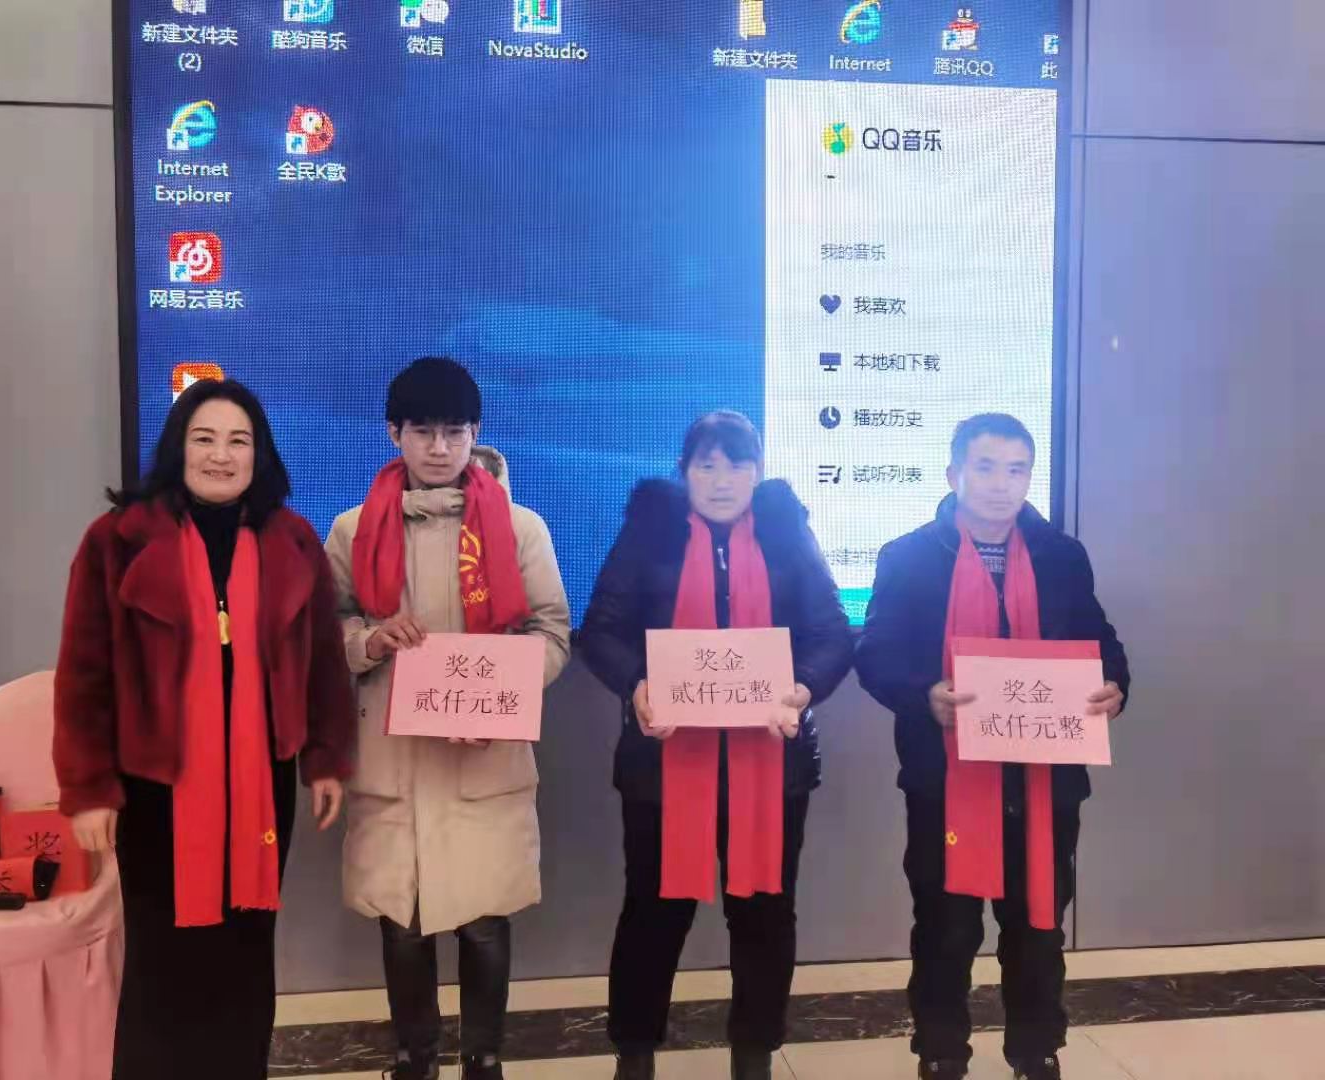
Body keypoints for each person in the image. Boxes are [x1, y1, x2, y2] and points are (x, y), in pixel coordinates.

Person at [53, 378, 356, 1080]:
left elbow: (322, 663)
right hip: (154, 787)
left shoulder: (292, 540)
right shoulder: (117, 540)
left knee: (245, 954)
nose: (221, 455)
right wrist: (89, 789)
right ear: (178, 448)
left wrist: (325, 759)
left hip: (260, 785)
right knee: (162, 958)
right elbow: (83, 673)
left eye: (238, 441)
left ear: (259, 455)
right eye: (205, 439)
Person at [578, 411, 854, 1080]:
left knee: (764, 913)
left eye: (737, 465)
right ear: (685, 472)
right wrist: (638, 685)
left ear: (757, 472)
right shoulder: (649, 532)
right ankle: (634, 1055)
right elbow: (602, 629)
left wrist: (803, 688)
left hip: (772, 764)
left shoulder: (787, 533)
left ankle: (753, 1055)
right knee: (653, 912)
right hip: (664, 763)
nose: (722, 479)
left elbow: (831, 633)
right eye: (707, 465)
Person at [854, 414, 1130, 1080]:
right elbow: (877, 654)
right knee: (946, 926)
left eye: (1016, 469)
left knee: (1037, 925)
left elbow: (1100, 641)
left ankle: (1036, 1050)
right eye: (985, 467)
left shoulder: (1062, 556)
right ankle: (942, 1052)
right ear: (954, 473)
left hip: (1044, 780)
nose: (1001, 483)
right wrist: (923, 693)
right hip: (947, 780)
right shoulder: (909, 557)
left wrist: (1116, 684)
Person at [325, 357, 570, 1080]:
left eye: (455, 431)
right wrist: (370, 641)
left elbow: (552, 633)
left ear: (475, 433)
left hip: (482, 753)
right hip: (392, 760)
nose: (439, 447)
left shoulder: (520, 528)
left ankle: (484, 1060)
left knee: (485, 922)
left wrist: (504, 694)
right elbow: (328, 629)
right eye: (423, 431)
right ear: (393, 433)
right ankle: (414, 1059)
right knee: (402, 923)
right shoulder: (351, 530)